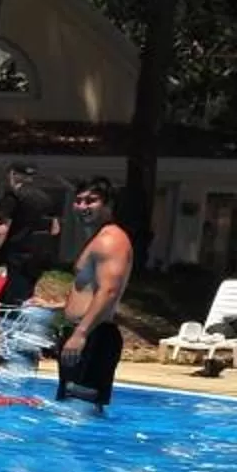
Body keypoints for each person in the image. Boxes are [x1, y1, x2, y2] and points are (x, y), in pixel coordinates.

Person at [54, 175, 133, 410]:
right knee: (69, 411)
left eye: (91, 201)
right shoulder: (98, 238)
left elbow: (109, 291)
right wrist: (60, 307)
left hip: (93, 338)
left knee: (78, 414)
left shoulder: (110, 240)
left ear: (108, 205)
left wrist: (81, 333)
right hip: (86, 336)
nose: (82, 207)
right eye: (78, 201)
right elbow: (92, 290)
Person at [0, 163, 63, 308]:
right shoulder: (47, 198)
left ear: (13, 175)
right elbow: (55, 229)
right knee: (24, 294)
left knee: (10, 300)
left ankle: (9, 326)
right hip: (39, 255)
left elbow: (3, 229)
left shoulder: (14, 196)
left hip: (17, 254)